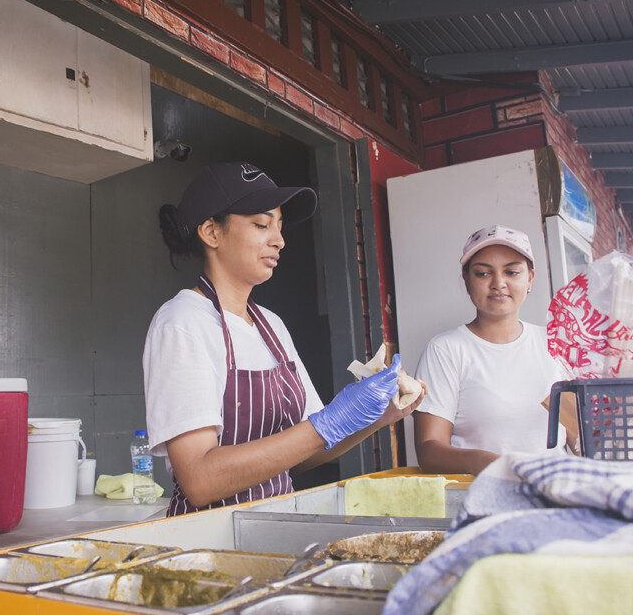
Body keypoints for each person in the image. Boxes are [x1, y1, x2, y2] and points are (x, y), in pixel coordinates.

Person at [143, 162, 423, 516]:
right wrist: (329, 422)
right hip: (209, 541)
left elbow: (304, 454)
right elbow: (199, 480)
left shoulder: (270, 326)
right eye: (261, 225)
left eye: (279, 226)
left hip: (274, 526)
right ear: (212, 232)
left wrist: (377, 416)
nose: (279, 240)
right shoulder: (182, 323)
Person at [413, 224, 570, 476]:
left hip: (553, 493)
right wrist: (492, 465)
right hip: (480, 496)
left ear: (530, 278)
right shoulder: (446, 350)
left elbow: (581, 437)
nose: (499, 283)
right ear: (466, 280)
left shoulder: (556, 343)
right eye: (483, 274)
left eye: (512, 272)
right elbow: (430, 451)